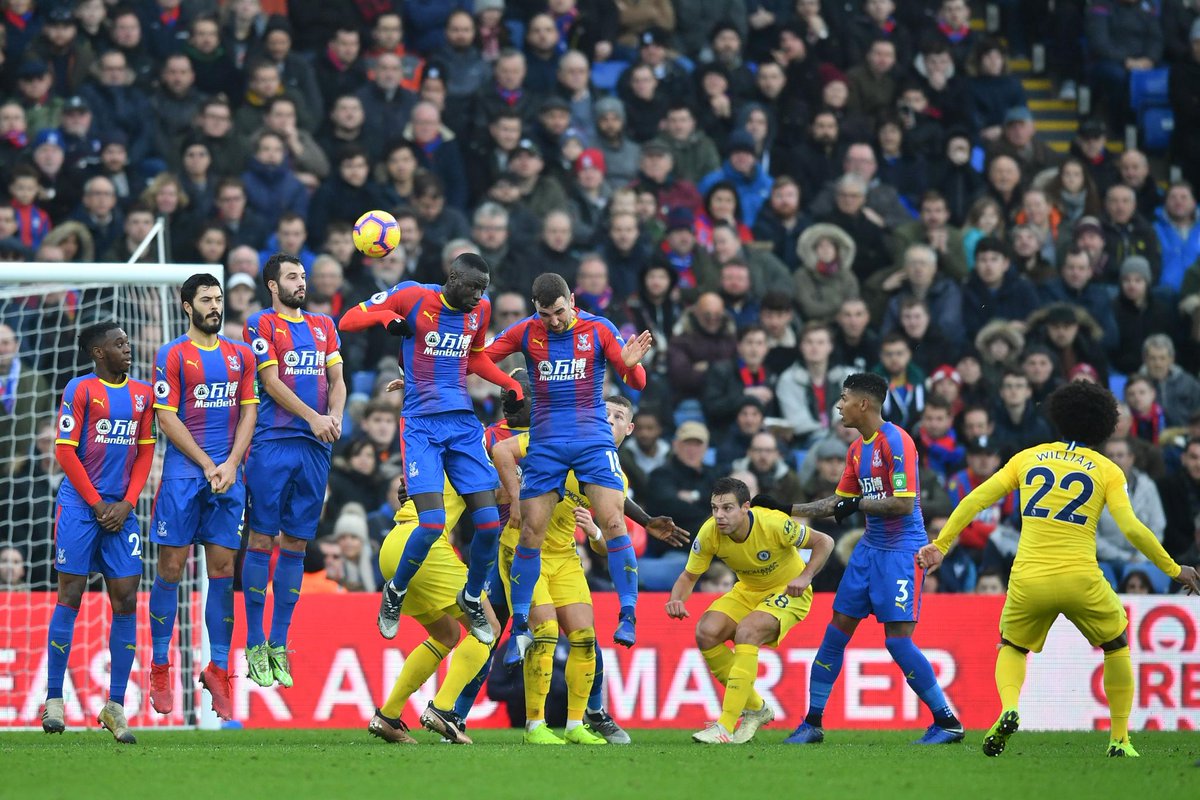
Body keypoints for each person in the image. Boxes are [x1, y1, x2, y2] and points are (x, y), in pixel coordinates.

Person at [919, 381, 1200, 757]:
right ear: (1104, 424)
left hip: (1028, 577)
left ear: (1059, 417)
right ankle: (1119, 740)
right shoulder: (1107, 470)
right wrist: (1173, 569)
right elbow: (1132, 527)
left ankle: (1010, 708)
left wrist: (941, 545)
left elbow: (974, 500)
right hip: (1080, 577)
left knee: (1012, 646)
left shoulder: (1028, 457)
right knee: (1116, 644)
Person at [761, 372, 965, 746]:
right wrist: (786, 508)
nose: (838, 405)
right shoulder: (857, 449)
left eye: (843, 398)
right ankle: (812, 722)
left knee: (898, 643)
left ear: (864, 403)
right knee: (835, 632)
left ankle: (947, 720)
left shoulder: (896, 441)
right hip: (869, 551)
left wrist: (858, 503)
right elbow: (840, 503)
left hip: (902, 554)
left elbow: (904, 504)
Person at [337, 254, 523, 645]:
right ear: (452, 278)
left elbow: (473, 358)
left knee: (489, 523)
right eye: (472, 287)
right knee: (433, 523)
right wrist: (385, 317)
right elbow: (348, 319)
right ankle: (396, 591)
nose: (478, 296)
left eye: (483, 289)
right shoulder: (412, 295)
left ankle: (471, 595)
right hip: (421, 425)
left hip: (462, 423)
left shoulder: (481, 310)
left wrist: (508, 382)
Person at [491, 395, 683, 744]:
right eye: (604, 413)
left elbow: (603, 545)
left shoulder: (615, 478)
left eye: (618, 416)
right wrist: (516, 495)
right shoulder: (560, 436)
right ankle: (535, 726)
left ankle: (576, 725)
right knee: (545, 631)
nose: (609, 420)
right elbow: (503, 451)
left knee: (585, 639)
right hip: (522, 549)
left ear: (629, 428)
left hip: (565, 556)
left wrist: (593, 532)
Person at [486, 272, 652, 658]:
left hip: (593, 440)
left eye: (560, 312)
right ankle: (521, 627)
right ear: (536, 309)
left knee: (612, 521)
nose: (554, 321)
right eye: (546, 315)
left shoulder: (598, 329)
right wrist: (418, 371)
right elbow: (480, 359)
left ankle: (628, 614)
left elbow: (637, 381)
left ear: (571, 300)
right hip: (545, 442)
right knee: (531, 531)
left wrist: (630, 368)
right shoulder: (525, 332)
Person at [147, 274, 257, 722]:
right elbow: (165, 418)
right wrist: (207, 463)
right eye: (206, 300)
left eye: (218, 299)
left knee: (223, 570)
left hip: (228, 476)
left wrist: (230, 464)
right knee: (171, 567)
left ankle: (219, 669)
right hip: (183, 474)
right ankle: (158, 665)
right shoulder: (172, 354)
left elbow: (249, 410)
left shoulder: (240, 355)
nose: (216, 306)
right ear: (187, 306)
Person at [40, 322, 156, 743]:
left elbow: (146, 451)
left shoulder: (143, 394)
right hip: (80, 506)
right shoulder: (80, 389)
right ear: (97, 352)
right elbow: (64, 451)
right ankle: (54, 699)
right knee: (70, 594)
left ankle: (115, 706)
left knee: (125, 600)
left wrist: (127, 503)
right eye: (119, 344)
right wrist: (96, 503)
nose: (127, 349)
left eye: (127, 343)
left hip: (121, 511)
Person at [240, 254, 346, 689]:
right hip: (273, 442)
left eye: (302, 276)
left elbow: (337, 379)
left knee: (298, 542)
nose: (300, 283)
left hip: (315, 447)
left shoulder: (324, 326)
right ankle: (254, 641)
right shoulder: (260, 323)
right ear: (272, 284)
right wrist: (313, 418)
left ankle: (280, 642)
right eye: (291, 277)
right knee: (263, 537)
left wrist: (334, 417)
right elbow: (270, 382)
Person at [668, 477, 835, 744]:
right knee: (707, 632)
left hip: (788, 592)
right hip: (748, 590)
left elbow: (824, 541)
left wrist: (805, 577)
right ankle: (757, 709)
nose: (719, 516)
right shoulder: (710, 532)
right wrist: (676, 599)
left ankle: (724, 725)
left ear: (746, 507)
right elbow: (689, 576)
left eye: (727, 508)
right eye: (714, 508)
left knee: (747, 631)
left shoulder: (772, 523)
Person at [369, 471, 501, 744]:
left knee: (446, 635)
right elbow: (498, 498)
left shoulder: (431, 457)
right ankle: (442, 709)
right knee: (488, 626)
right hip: (426, 549)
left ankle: (388, 715)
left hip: (393, 546)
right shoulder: (470, 456)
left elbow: (403, 481)